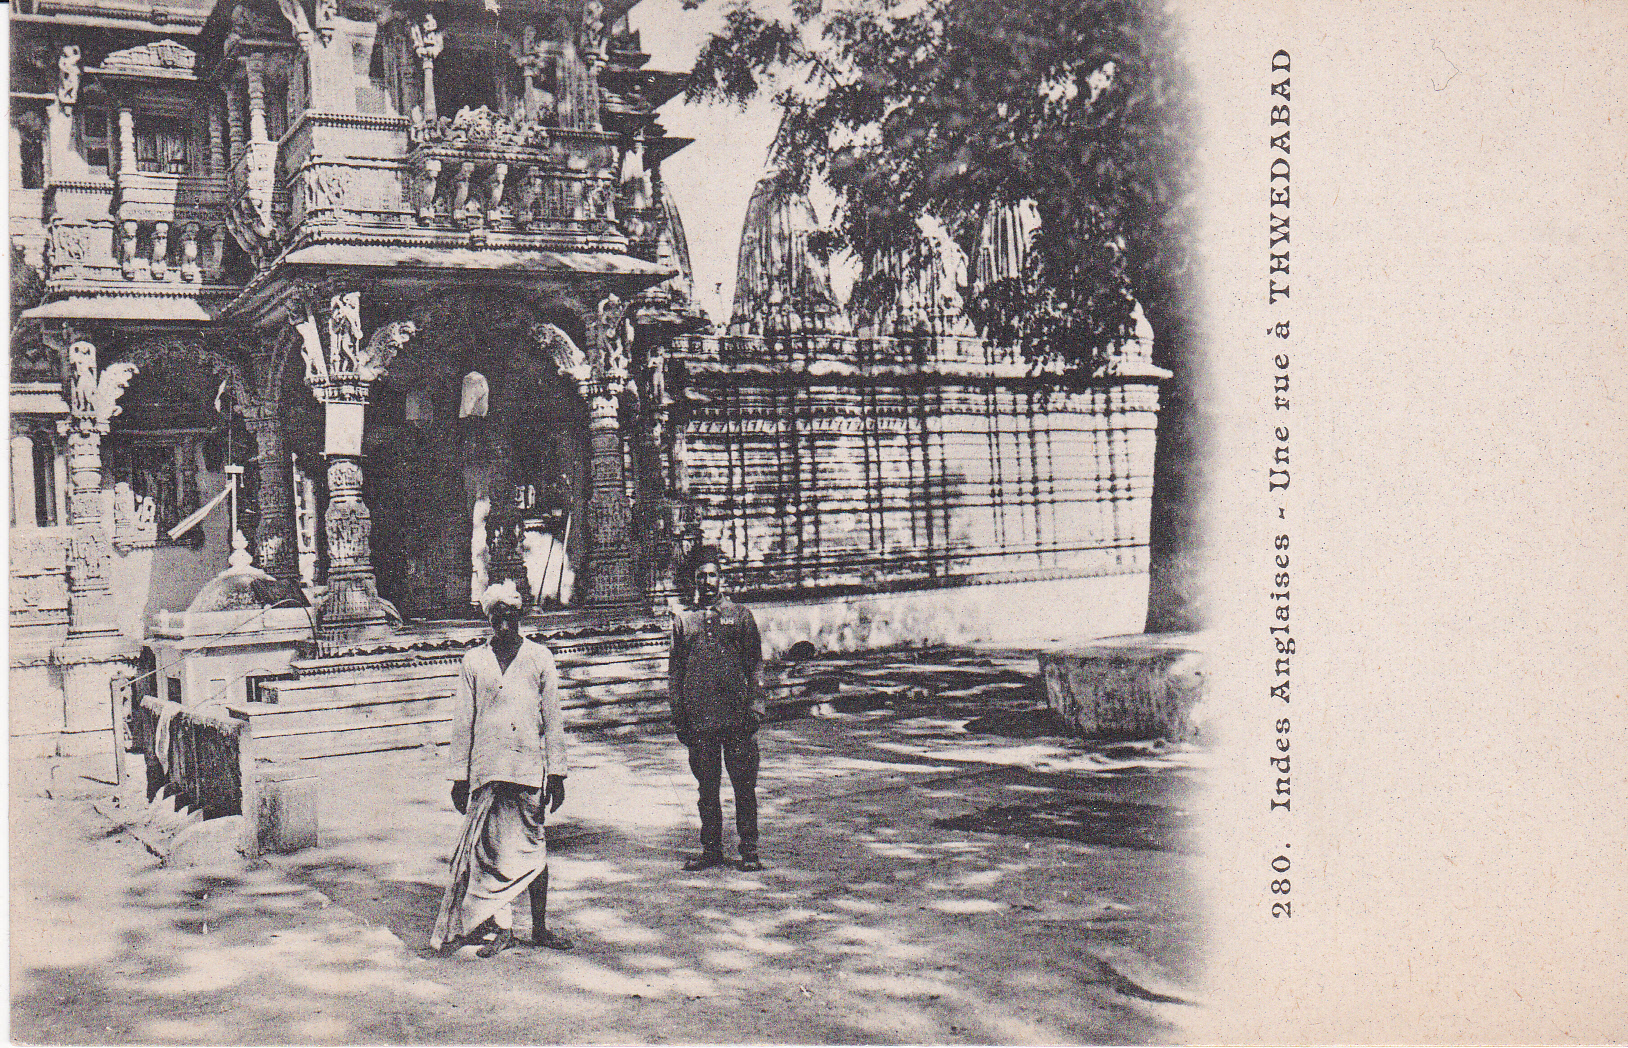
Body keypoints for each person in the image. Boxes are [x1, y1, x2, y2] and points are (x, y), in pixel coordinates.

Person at [430, 579, 573, 956]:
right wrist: (459, 778)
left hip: (526, 768)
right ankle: (502, 928)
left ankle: (539, 928)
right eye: (497, 619)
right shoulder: (474, 661)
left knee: (532, 849)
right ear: (489, 620)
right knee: (490, 852)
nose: (504, 626)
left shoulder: (540, 658)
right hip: (487, 769)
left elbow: (553, 719)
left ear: (520, 616)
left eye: (510, 618)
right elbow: (464, 722)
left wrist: (556, 774)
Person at [669, 545, 766, 872]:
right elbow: (676, 673)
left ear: (721, 579)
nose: (707, 581)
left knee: (744, 787)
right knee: (706, 789)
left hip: (737, 717)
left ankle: (749, 850)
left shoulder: (740, 616)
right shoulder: (684, 621)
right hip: (701, 720)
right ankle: (711, 850)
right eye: (701, 576)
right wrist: (679, 715)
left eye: (712, 575)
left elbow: (755, 664)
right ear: (694, 581)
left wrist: (756, 704)